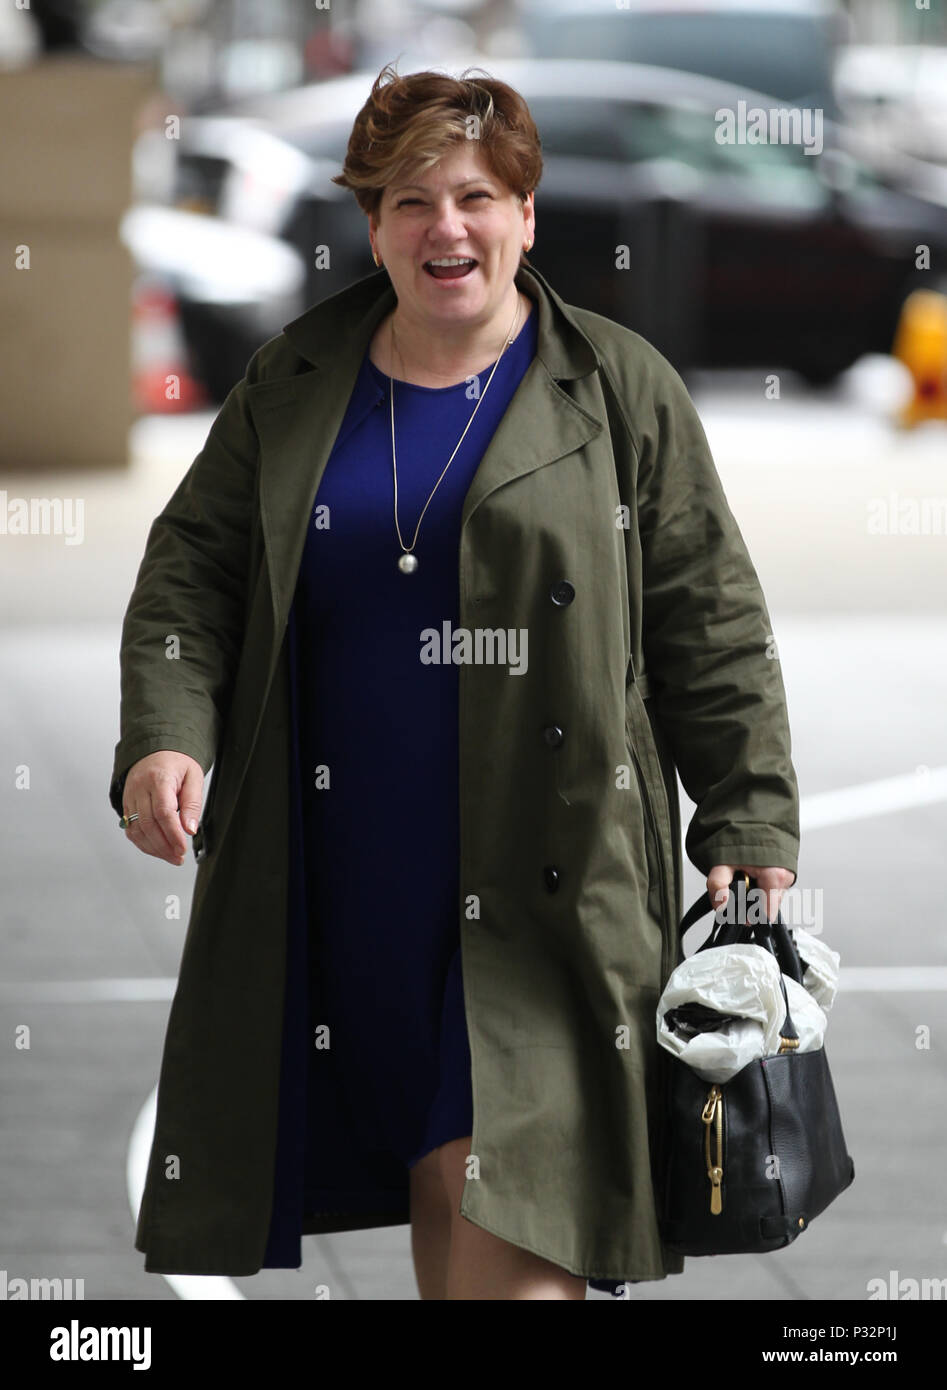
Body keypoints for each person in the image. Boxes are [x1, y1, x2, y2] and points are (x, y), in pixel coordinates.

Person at [111, 63, 798, 1300]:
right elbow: (190, 575)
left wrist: (745, 816)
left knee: (510, 1220)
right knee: (445, 1196)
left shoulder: (617, 388)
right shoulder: (293, 384)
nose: (447, 228)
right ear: (369, 225)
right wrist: (168, 737)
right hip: (345, 880)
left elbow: (712, 618)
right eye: (410, 199)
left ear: (526, 215)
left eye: (477, 195)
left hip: (549, 883)